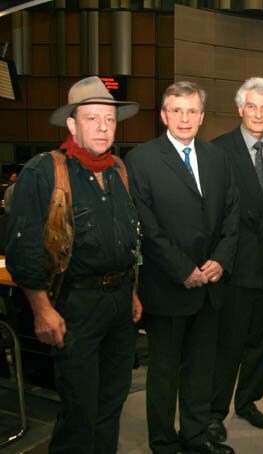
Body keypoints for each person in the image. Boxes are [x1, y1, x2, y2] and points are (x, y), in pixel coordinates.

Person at [6, 76, 142, 454]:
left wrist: (130, 292)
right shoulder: (44, 171)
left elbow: (128, 239)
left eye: (110, 120)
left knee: (112, 401)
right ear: (72, 124)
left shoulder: (119, 171)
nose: (103, 126)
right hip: (74, 308)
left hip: (119, 305)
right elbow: (23, 251)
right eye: (92, 118)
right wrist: (42, 309)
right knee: (80, 409)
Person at [125, 81, 239, 454]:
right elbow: (148, 226)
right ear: (163, 115)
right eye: (177, 110)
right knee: (163, 374)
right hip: (168, 287)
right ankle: (163, 441)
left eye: (192, 111)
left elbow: (231, 216)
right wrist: (183, 269)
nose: (185, 118)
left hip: (211, 287)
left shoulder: (217, 158)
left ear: (202, 116)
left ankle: (194, 436)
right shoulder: (141, 160)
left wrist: (221, 259)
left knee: (201, 370)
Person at [207, 77, 263, 442]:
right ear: (240, 109)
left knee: (262, 342)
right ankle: (215, 410)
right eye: (252, 106)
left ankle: (248, 401)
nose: (259, 113)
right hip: (234, 265)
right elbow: (212, 213)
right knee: (229, 344)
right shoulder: (218, 149)